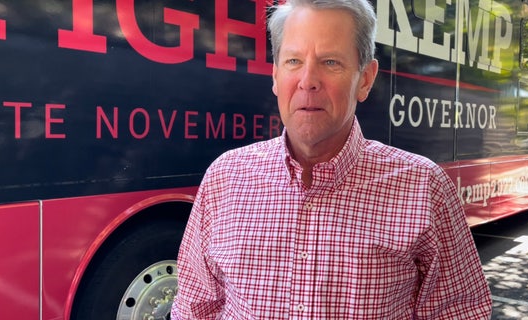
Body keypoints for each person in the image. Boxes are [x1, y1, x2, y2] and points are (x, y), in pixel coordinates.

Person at [171, 0, 493, 318]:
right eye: (294, 61)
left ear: (365, 79)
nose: (307, 80)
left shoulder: (424, 187)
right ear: (274, 75)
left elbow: (460, 312)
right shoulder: (225, 178)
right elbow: (193, 308)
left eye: (330, 63)